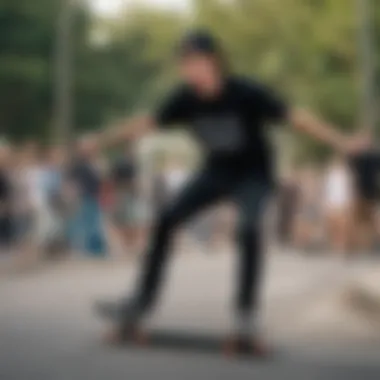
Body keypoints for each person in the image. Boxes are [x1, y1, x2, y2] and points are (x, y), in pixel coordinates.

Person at [94, 30, 362, 355]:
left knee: (248, 229)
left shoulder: (246, 92)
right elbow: (146, 123)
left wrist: (341, 141)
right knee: (166, 218)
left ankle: (245, 316)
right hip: (216, 173)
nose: (192, 72)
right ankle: (140, 302)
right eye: (186, 65)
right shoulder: (184, 98)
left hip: (254, 176)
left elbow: (296, 118)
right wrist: (101, 141)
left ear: (215, 63)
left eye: (198, 64)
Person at [324, 156, 353, 254]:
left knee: (342, 226)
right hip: (332, 203)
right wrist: (326, 203)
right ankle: (335, 246)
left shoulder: (346, 175)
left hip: (342, 204)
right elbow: (327, 190)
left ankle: (342, 247)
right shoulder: (330, 175)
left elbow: (349, 191)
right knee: (333, 226)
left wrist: (348, 203)